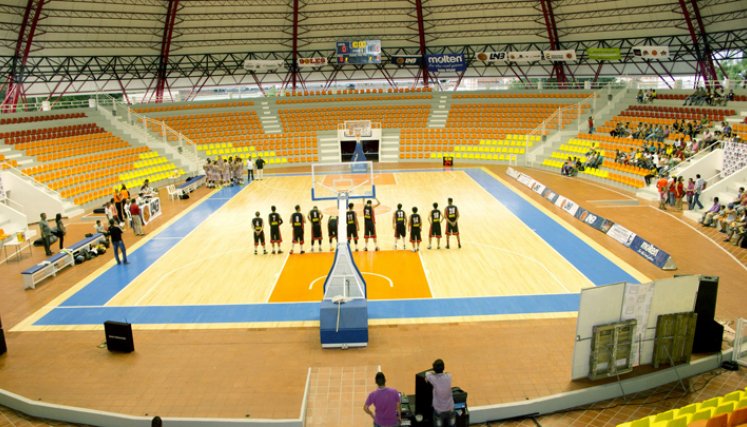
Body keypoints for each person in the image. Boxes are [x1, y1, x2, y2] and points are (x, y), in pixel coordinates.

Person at [425, 359, 455, 427]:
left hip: (439, 410)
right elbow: (446, 373)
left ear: (434, 369)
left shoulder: (432, 378)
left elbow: (427, 373)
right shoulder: (449, 376)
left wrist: (433, 372)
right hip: (450, 408)